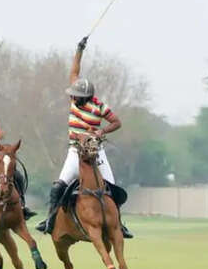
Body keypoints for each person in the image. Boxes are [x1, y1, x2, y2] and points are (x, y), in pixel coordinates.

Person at [36, 36, 134, 239]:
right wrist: (79, 50)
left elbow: (117, 122)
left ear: (85, 97)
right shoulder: (74, 100)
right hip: (75, 151)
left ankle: (119, 225)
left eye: (76, 95)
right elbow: (74, 72)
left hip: (96, 152)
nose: (72, 96)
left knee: (113, 190)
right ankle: (50, 220)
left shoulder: (99, 107)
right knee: (58, 187)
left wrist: (101, 132)